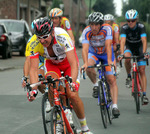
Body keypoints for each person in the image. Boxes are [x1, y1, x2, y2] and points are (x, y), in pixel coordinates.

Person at [28, 17, 92, 134]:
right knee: (51, 84)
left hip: (68, 63)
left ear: (52, 32)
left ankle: (84, 128)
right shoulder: (34, 43)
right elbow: (33, 69)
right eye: (39, 37)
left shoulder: (62, 36)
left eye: (44, 37)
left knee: (72, 94)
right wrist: (33, 89)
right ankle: (58, 120)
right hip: (52, 64)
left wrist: (72, 82)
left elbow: (73, 63)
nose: (41, 41)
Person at [81, 12, 120, 117]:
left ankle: (115, 106)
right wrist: (85, 63)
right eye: (91, 24)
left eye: (96, 24)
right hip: (94, 53)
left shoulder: (107, 29)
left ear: (101, 24)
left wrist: (110, 61)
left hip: (106, 54)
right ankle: (96, 85)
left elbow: (108, 45)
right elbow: (85, 49)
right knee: (89, 67)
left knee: (111, 79)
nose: (93, 27)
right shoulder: (86, 31)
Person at [118, 9, 149, 104]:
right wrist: (121, 53)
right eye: (128, 20)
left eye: (133, 20)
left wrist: (145, 52)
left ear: (137, 20)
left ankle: (144, 95)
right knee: (127, 58)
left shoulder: (141, 26)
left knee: (142, 70)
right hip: (129, 47)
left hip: (139, 48)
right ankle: (128, 76)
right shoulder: (124, 28)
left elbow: (144, 41)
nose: (130, 22)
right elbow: (122, 41)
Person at [22, 19, 45, 95]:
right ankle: (47, 96)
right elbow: (28, 60)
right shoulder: (32, 41)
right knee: (38, 78)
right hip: (42, 61)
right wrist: (25, 77)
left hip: (54, 59)